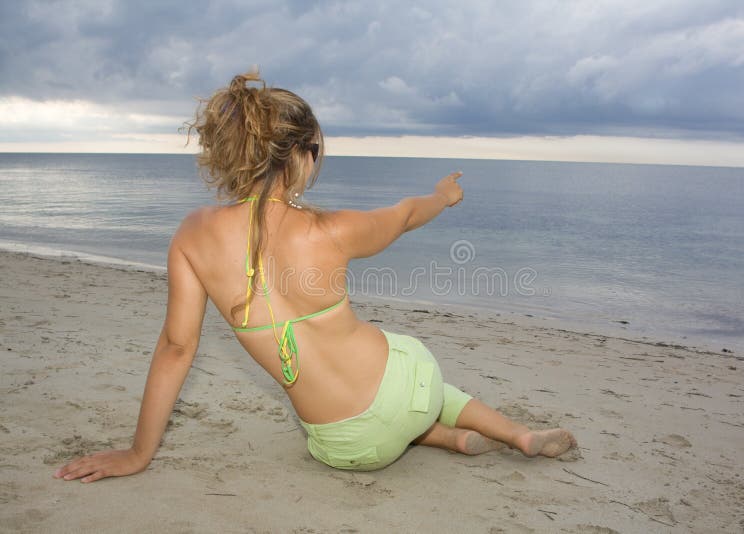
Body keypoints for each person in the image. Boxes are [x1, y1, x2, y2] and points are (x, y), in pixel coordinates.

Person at [53, 72, 577, 483]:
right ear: (302, 157)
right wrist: (443, 196)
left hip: (347, 450)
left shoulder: (192, 236)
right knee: (415, 374)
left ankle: (449, 440)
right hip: (409, 393)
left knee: (362, 414)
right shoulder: (332, 229)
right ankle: (518, 435)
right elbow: (404, 214)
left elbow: (175, 347)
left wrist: (139, 453)